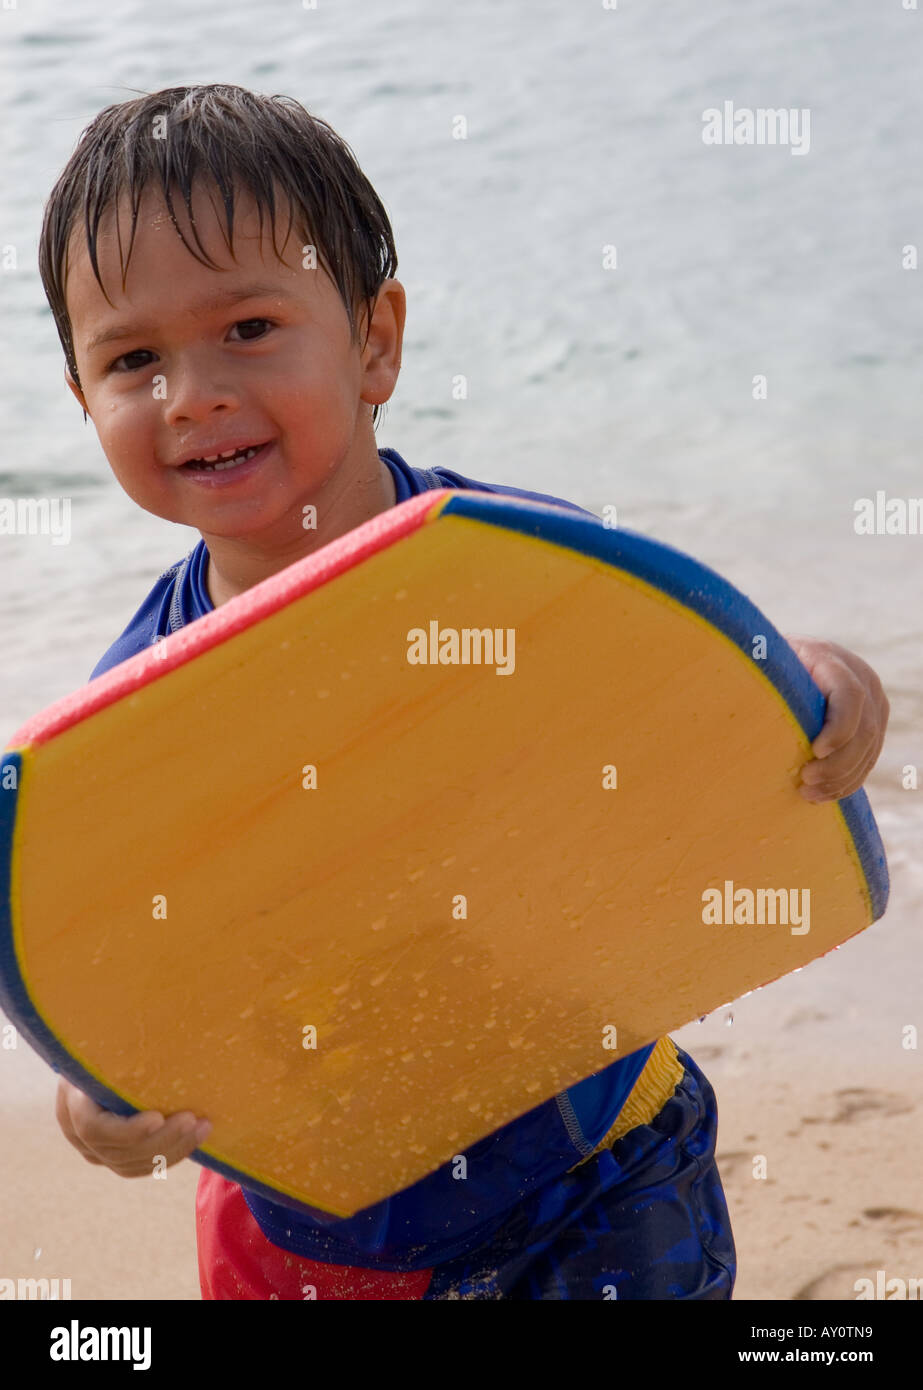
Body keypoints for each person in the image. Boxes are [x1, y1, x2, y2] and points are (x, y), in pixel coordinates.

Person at [43, 85, 889, 1300]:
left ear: (373, 339)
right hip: (304, 1199)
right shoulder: (135, 703)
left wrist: (827, 680)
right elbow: (117, 958)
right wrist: (95, 1097)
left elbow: (698, 676)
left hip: (586, 1168)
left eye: (245, 329)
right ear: (84, 399)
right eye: (133, 360)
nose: (190, 395)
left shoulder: (509, 567)